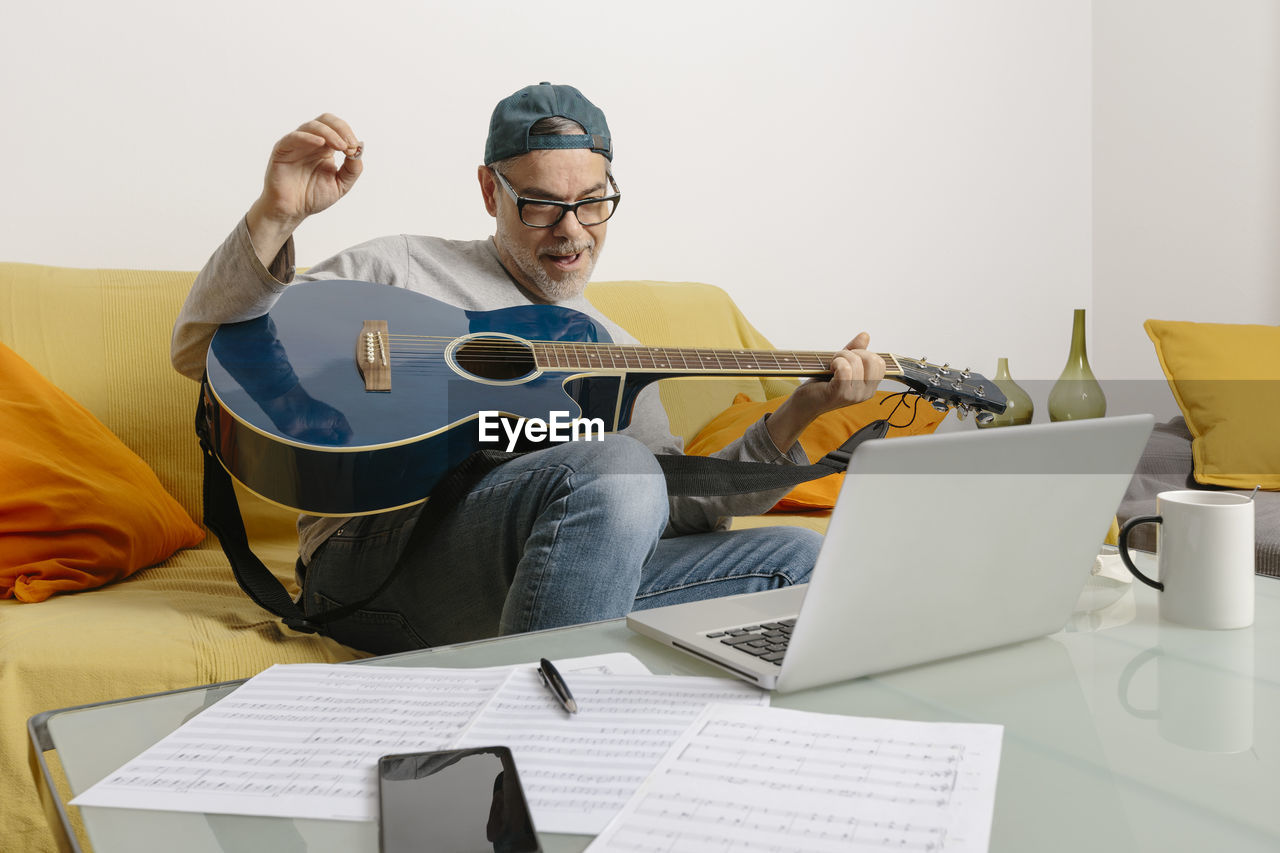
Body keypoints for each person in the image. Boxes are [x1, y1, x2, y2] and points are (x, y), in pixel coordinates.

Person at [172, 83, 885, 655]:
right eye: (543, 203)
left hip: (550, 579)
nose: (571, 229)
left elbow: (672, 509)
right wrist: (276, 215)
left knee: (796, 557)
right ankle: (546, 738)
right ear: (490, 191)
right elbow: (201, 351)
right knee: (617, 468)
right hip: (373, 565)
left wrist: (799, 412)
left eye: (593, 202)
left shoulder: (611, 350)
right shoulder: (396, 269)